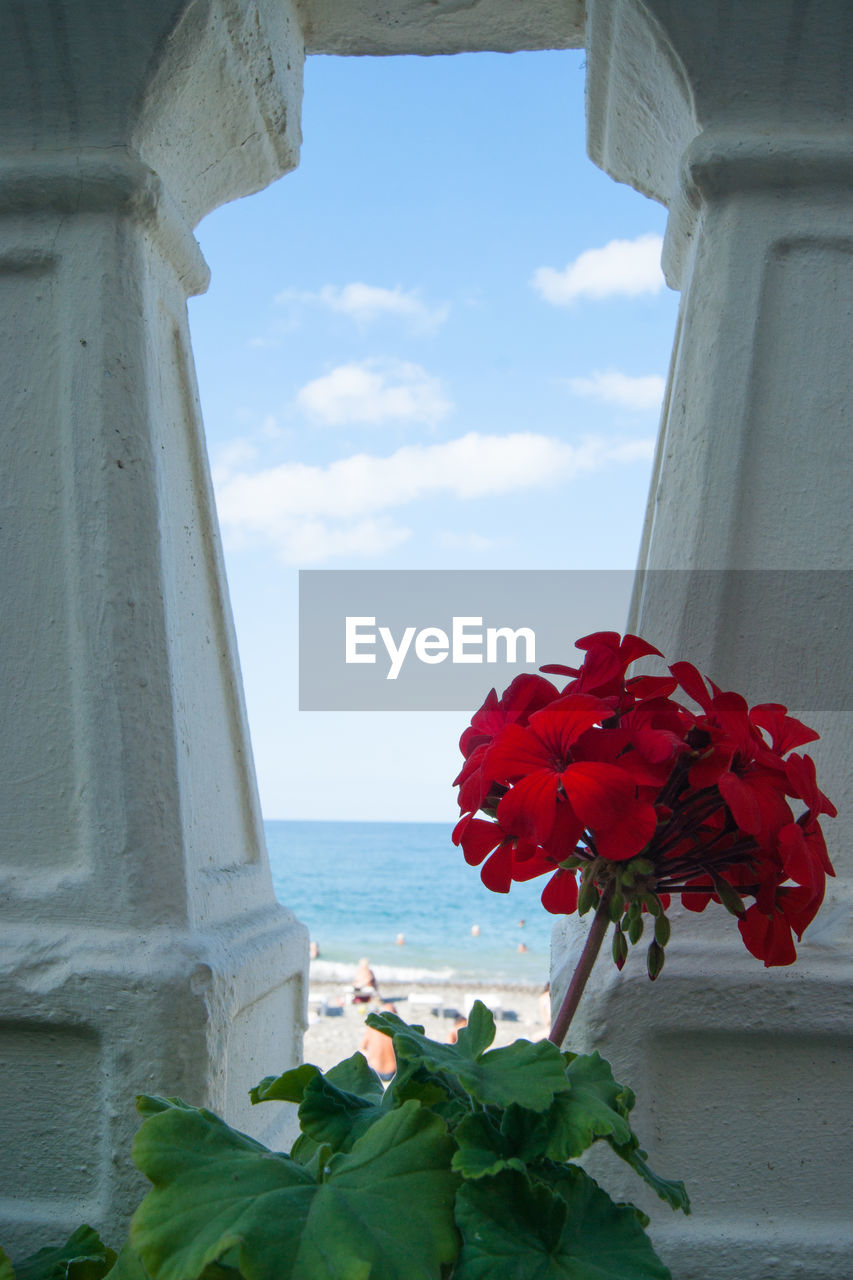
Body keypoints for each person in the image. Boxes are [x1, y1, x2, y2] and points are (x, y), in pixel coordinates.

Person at [360, 1005, 397, 1081]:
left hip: (375, 1070)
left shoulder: (373, 1027)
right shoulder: (396, 1030)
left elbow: (362, 1048)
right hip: (392, 1071)